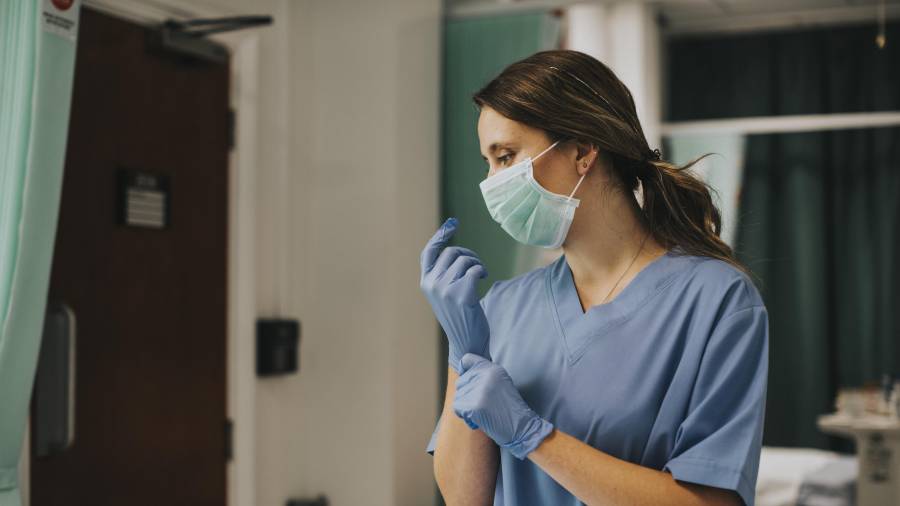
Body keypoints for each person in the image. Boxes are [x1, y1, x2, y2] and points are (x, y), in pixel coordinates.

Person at [419, 49, 769, 506]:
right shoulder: (499, 310)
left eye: (505, 157)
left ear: (583, 151)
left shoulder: (715, 302)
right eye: (487, 162)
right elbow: (465, 498)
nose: (492, 183)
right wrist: (463, 350)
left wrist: (532, 435)